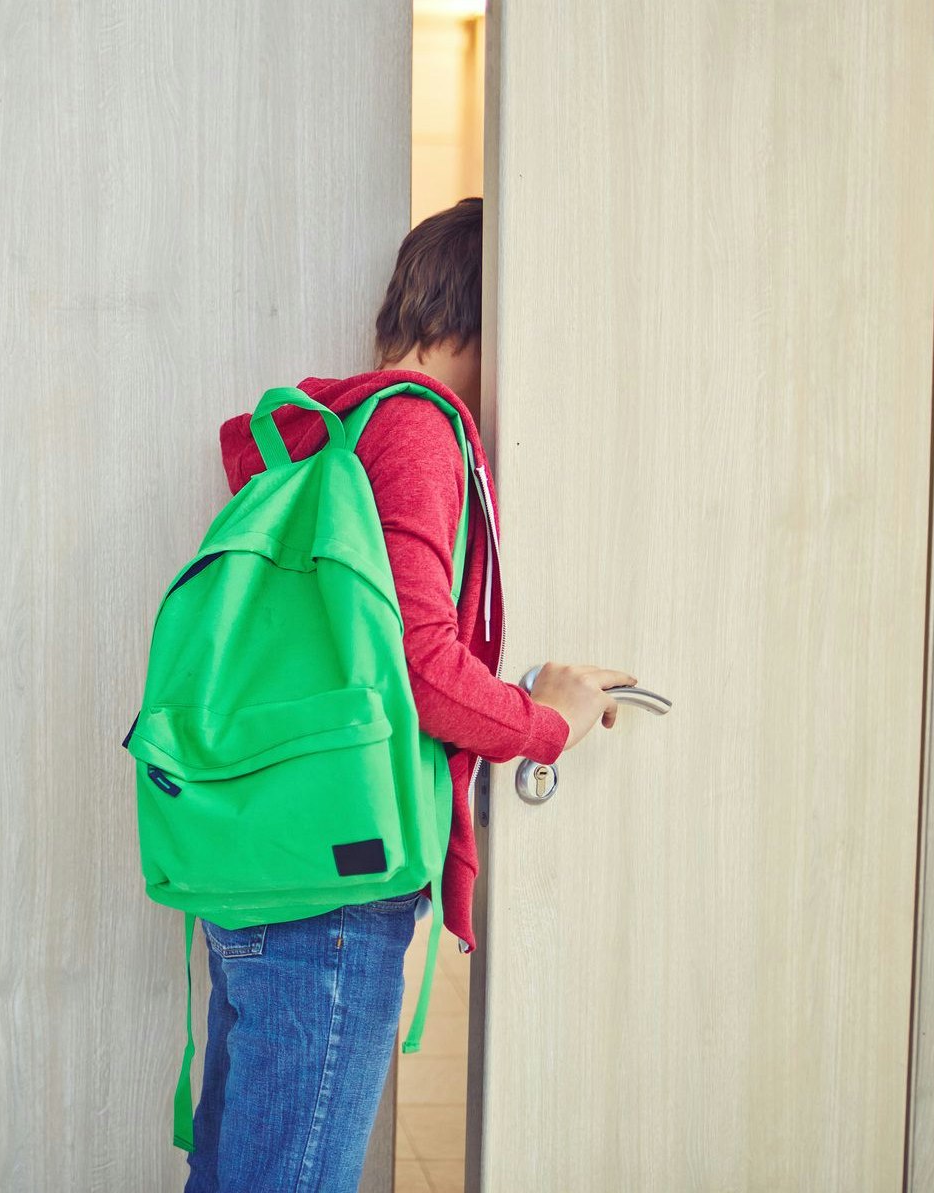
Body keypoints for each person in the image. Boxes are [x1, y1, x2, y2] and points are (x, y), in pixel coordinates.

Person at [186, 198, 636, 1192]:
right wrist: (545, 722)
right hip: (334, 891)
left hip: (269, 855)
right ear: (491, 305)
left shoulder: (339, 427)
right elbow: (420, 667)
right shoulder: (421, 431)